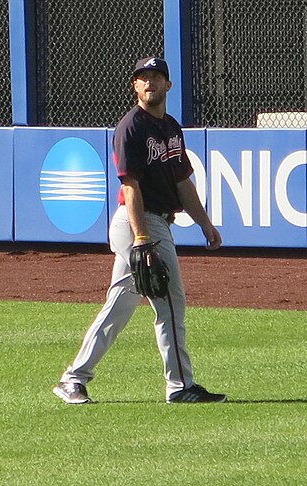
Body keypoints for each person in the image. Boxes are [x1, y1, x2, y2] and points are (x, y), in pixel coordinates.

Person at [53, 57, 227, 404]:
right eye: (143, 78)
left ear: (168, 85)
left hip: (156, 220)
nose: (149, 82)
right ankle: (180, 386)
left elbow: (182, 182)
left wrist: (205, 224)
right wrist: (143, 238)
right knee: (171, 303)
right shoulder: (131, 126)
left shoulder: (171, 128)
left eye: (156, 77)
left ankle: (73, 379)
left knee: (119, 305)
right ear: (135, 86)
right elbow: (130, 185)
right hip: (139, 222)